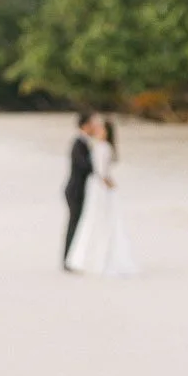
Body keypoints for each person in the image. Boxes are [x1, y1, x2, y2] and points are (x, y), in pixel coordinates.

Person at [64, 112, 137, 276]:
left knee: (91, 223)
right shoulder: (83, 144)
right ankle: (74, 259)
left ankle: (81, 258)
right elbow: (94, 170)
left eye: (99, 127)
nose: (95, 128)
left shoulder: (98, 146)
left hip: (95, 190)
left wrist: (105, 181)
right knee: (83, 223)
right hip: (81, 189)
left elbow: (99, 171)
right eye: (93, 125)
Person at [62, 110, 99, 269]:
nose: (95, 126)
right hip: (75, 191)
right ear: (85, 125)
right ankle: (67, 259)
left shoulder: (85, 143)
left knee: (78, 224)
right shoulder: (78, 143)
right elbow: (85, 167)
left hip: (81, 190)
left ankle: (72, 257)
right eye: (93, 123)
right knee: (74, 224)